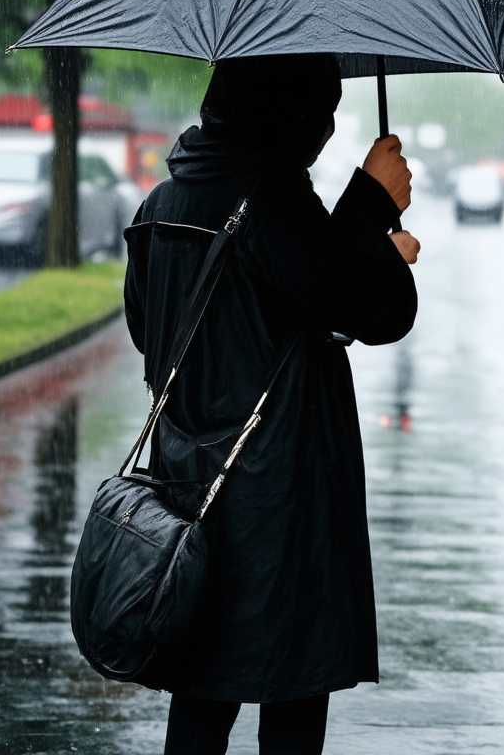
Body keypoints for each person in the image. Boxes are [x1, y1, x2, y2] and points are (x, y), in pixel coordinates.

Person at [123, 56, 419, 755]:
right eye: (323, 111)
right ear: (286, 114)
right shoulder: (275, 205)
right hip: (284, 499)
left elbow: (153, 330)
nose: (328, 130)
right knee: (292, 695)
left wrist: (366, 244)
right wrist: (375, 210)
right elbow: (373, 308)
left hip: (191, 487)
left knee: (200, 693)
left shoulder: (159, 206)